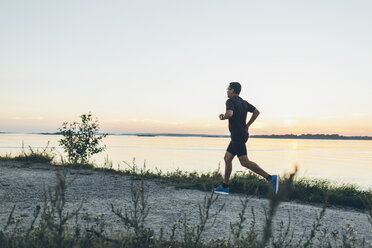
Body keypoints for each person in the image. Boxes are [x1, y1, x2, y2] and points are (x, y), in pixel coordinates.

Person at [213, 82, 279, 195]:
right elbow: (256, 112)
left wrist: (223, 117)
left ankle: (270, 178)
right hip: (241, 134)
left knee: (244, 162)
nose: (227, 91)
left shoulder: (230, 101)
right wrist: (247, 125)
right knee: (227, 159)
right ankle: (225, 186)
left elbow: (229, 114)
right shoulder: (243, 102)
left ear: (233, 90)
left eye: (228, 89)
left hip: (238, 135)